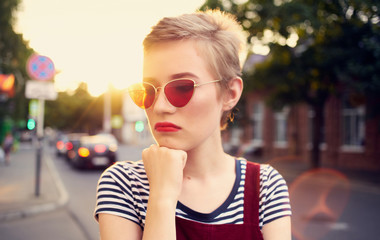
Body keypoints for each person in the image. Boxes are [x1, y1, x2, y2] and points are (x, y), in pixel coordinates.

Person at [94, 10, 291, 240]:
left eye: (182, 88)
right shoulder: (124, 183)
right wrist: (162, 197)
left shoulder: (264, 187)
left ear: (230, 93)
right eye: (147, 90)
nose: (159, 107)